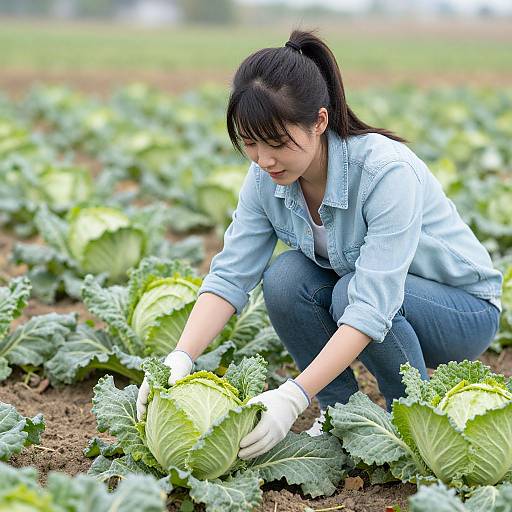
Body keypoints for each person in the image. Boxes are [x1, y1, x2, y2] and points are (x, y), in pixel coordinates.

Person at [136, 29, 502, 460]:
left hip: (462, 311)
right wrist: (179, 357)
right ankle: (342, 414)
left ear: (320, 122)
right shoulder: (264, 180)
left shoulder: (386, 172)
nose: (263, 160)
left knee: (350, 293)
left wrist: (293, 396)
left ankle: (412, 419)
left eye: (276, 144)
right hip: (374, 301)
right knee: (285, 277)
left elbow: (371, 304)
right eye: (249, 144)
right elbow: (230, 275)